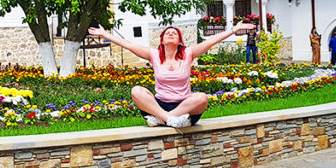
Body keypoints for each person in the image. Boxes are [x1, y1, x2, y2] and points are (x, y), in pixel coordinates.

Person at [88, 22, 256, 128]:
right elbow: (128, 45)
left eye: (174, 33)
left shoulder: (188, 54)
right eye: (167, 33)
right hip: (160, 105)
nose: (170, 33)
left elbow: (210, 41)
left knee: (202, 98)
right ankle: (169, 119)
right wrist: (105, 34)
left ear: (180, 41)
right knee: (136, 91)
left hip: (185, 107)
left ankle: (163, 119)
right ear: (161, 40)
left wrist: (234, 30)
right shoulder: (153, 55)